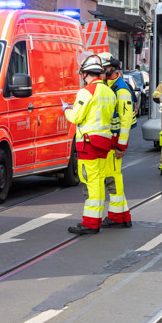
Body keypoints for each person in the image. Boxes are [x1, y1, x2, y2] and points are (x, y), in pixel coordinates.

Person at [63, 55, 115, 235]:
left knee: (90, 183)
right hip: (104, 143)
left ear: (85, 73)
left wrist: (66, 109)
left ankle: (90, 223)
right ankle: (95, 220)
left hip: (88, 144)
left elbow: (76, 117)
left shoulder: (86, 92)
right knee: (98, 182)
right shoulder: (109, 92)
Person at [102, 55, 135, 228]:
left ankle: (116, 217)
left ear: (111, 69)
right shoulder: (109, 86)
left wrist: (121, 146)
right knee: (113, 177)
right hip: (109, 142)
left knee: (113, 178)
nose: (100, 72)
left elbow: (126, 121)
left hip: (114, 143)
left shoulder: (121, 90)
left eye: (103, 68)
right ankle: (124, 215)